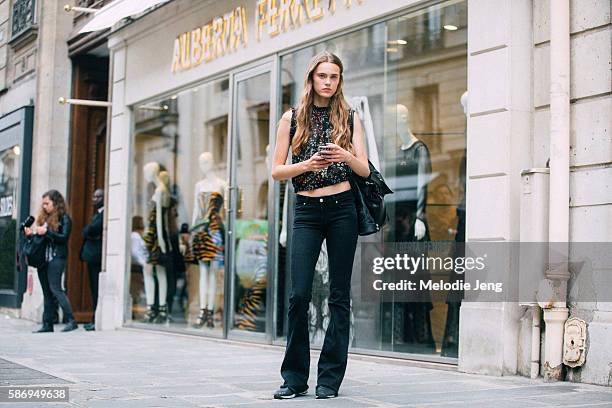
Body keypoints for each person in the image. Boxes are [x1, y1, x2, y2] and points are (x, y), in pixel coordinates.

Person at [270, 51, 369, 399]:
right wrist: (307, 165)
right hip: (307, 211)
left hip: (342, 208)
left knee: (339, 297)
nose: (328, 82)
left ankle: (329, 379)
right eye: (323, 76)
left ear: (340, 80)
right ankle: (294, 378)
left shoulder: (350, 116)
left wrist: (346, 156)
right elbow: (277, 170)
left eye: (334, 77)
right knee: (299, 295)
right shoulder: (292, 118)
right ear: (312, 78)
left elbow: (366, 170)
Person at [26, 190, 78, 333]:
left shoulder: (65, 218)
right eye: (43, 204)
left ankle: (71, 320)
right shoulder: (44, 219)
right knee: (47, 292)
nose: (44, 207)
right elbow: (39, 240)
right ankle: (47, 324)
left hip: (57, 258)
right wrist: (32, 235)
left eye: (47, 203)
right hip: (43, 259)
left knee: (56, 289)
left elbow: (63, 238)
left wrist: (46, 232)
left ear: (56, 203)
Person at [80, 188, 104, 331]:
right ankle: (94, 318)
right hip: (92, 256)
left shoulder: (103, 215)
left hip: (96, 257)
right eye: (94, 197)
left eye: (98, 197)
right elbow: (87, 231)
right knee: (94, 289)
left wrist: (88, 231)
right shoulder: (97, 214)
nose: (94, 200)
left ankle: (96, 319)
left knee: (96, 289)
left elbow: (90, 230)